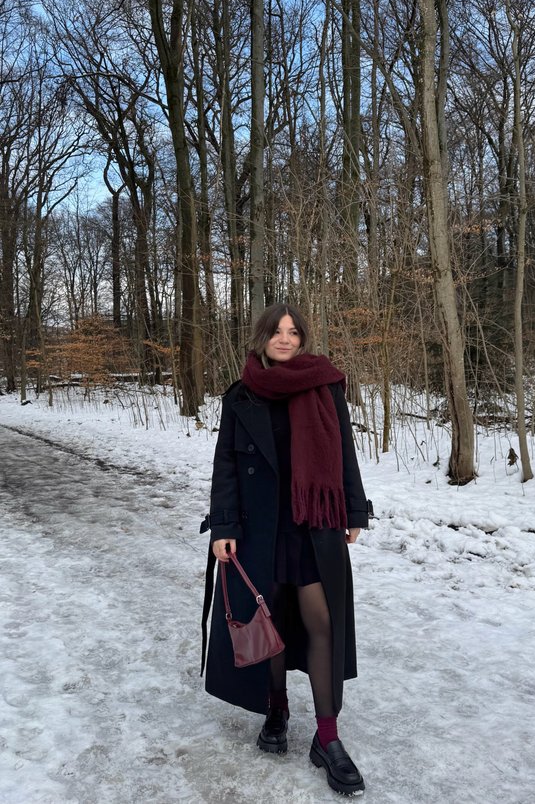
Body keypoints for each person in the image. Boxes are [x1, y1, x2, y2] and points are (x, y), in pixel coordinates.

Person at [200, 303, 371, 795]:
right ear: (262, 338)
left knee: (322, 623)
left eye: (293, 332)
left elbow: (345, 455)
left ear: (302, 339)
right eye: (276, 331)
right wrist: (224, 525)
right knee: (267, 619)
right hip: (259, 528)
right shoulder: (241, 395)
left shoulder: (325, 386)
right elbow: (226, 466)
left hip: (313, 524)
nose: (285, 338)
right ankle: (276, 710)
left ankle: (328, 737)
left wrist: (354, 511)